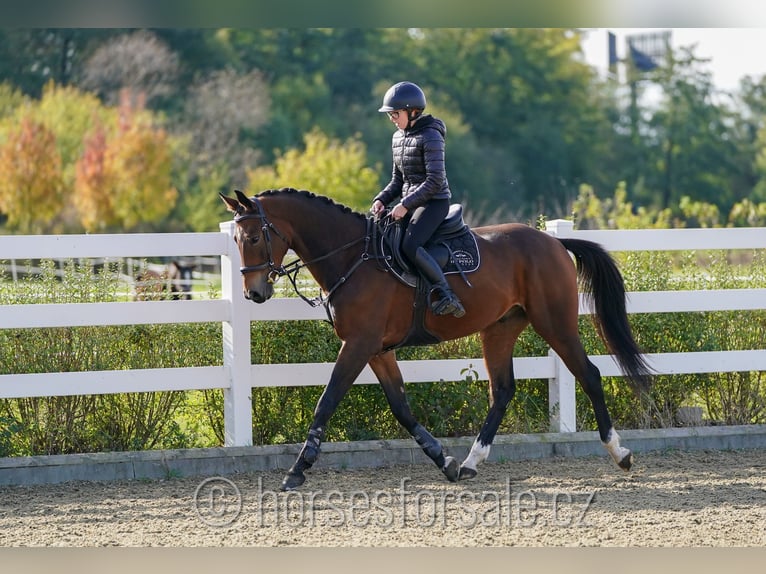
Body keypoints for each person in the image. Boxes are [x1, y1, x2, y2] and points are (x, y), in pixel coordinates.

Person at [371, 81, 465, 318]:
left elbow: (434, 181)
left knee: (410, 245)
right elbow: (397, 181)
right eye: (390, 114)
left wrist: (405, 205)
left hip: (434, 202)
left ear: (412, 112)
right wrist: (381, 199)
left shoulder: (431, 136)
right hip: (411, 203)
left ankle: (447, 294)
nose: (392, 118)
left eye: (395, 113)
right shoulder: (397, 137)